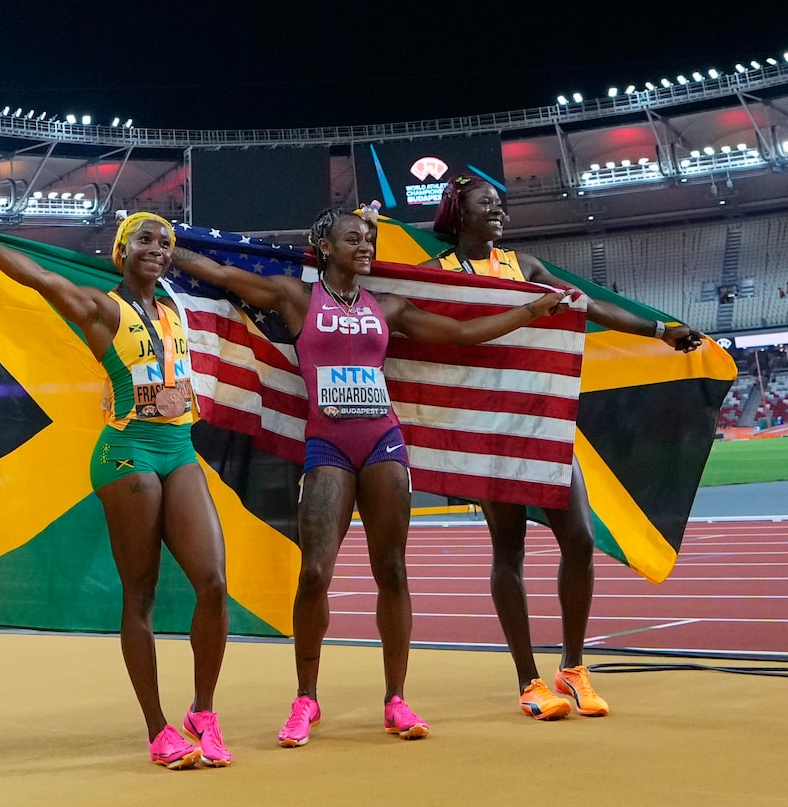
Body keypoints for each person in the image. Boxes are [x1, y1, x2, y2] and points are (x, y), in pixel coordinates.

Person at [173, 208, 587, 744]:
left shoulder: (386, 305)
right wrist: (163, 242)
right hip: (327, 445)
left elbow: (462, 335)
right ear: (324, 246)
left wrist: (533, 308)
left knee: (391, 570)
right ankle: (306, 699)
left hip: (383, 442)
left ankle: (396, 698)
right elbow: (224, 277)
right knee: (315, 572)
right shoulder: (296, 299)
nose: (365, 246)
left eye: (369, 238)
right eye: (354, 239)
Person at [0, 213, 233, 769]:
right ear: (120, 250)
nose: (158, 249)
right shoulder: (101, 307)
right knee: (139, 595)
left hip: (179, 448)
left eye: (166, 243)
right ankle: (158, 729)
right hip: (126, 452)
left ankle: (204, 711)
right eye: (146, 240)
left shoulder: (172, 310)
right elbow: (41, 282)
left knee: (213, 582)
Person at [428, 175, 703, 721]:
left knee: (577, 539)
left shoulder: (524, 267)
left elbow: (590, 308)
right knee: (508, 551)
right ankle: (529, 680)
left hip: (543, 420)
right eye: (487, 205)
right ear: (459, 214)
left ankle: (572, 667)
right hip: (490, 427)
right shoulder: (438, 276)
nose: (499, 212)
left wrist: (659, 330)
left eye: (501, 205)